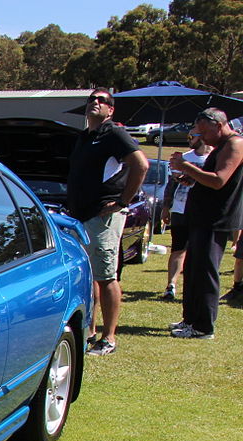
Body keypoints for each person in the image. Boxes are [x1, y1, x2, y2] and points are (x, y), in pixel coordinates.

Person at [66, 87, 149, 356]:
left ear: (111, 110)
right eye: (92, 99)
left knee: (105, 276)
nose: (96, 103)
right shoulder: (85, 136)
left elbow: (141, 164)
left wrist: (123, 201)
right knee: (89, 276)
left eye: (103, 101)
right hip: (80, 215)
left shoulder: (113, 133)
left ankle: (109, 337)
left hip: (103, 217)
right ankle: (89, 331)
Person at [168, 107, 243, 339]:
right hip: (201, 217)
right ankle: (190, 319)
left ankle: (203, 327)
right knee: (192, 270)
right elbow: (209, 176)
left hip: (215, 219)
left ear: (218, 125)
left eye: (205, 133)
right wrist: (190, 178)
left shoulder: (234, 144)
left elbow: (220, 180)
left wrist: (187, 166)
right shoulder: (220, 146)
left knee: (205, 273)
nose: (202, 139)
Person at [161, 129, 212, 300]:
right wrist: (166, 207)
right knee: (178, 249)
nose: (189, 139)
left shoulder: (214, 158)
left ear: (202, 137)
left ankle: (195, 288)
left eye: (193, 136)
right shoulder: (184, 157)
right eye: (188, 136)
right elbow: (171, 185)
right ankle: (171, 285)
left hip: (203, 211)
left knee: (199, 251)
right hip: (180, 209)